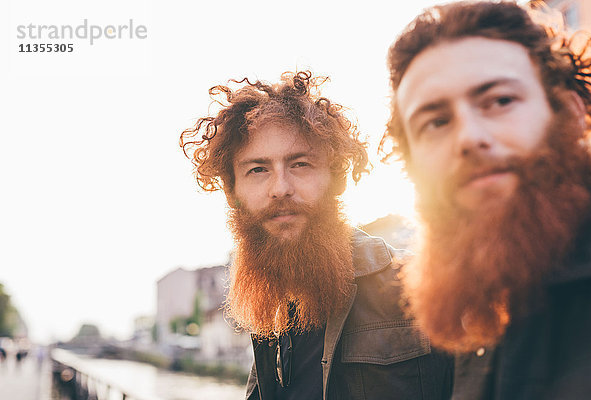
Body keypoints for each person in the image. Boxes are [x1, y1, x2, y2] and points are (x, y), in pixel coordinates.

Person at [180, 71, 453, 400]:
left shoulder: (424, 291)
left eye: (300, 164)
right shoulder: (271, 313)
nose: (280, 188)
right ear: (232, 193)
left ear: (336, 178)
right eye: (258, 169)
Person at [383, 1, 591, 399]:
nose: (468, 137)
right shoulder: (472, 300)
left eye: (500, 101)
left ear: (570, 114)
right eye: (436, 122)